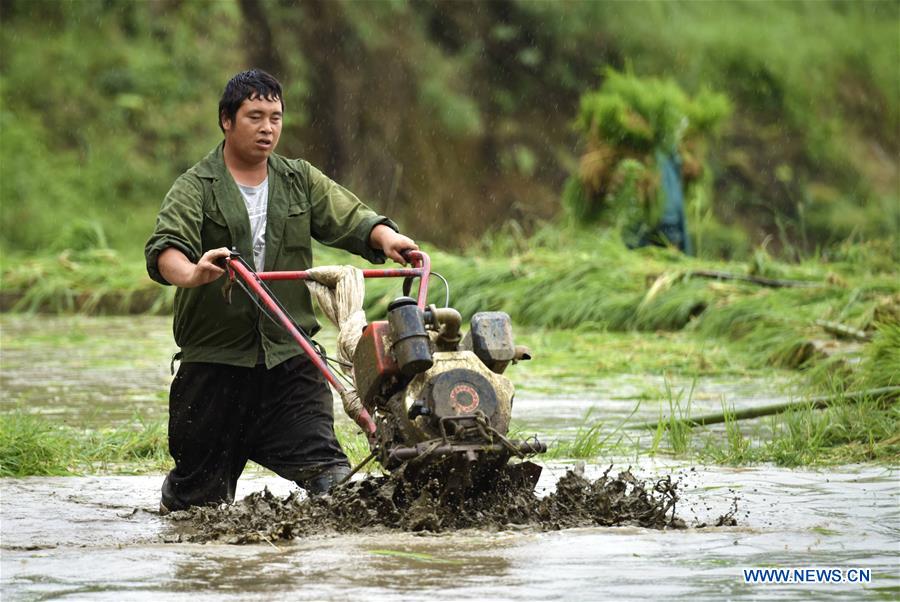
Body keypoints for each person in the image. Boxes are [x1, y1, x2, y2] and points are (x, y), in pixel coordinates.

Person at [145, 69, 417, 513]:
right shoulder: (195, 186)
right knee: (195, 509)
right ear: (226, 121)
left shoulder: (299, 180)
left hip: (289, 364)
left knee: (334, 484)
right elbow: (165, 249)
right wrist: (194, 273)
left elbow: (350, 217)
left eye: (275, 116)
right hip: (214, 369)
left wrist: (387, 237)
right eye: (255, 116)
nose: (267, 127)